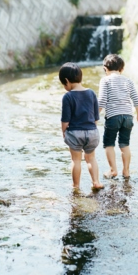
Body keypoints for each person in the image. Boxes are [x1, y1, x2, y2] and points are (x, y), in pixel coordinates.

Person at [59, 62, 104, 190]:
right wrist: (92, 129)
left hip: (75, 133)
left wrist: (64, 132)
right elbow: (96, 117)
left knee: (76, 160)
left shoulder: (68, 97)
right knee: (91, 158)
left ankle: (76, 185)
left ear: (67, 81)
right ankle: (96, 182)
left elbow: (65, 120)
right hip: (92, 132)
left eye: (64, 84)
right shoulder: (91, 93)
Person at [98, 54, 138, 179]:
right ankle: (126, 171)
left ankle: (113, 171)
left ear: (105, 69)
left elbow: (101, 101)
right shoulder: (128, 81)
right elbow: (136, 99)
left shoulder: (105, 80)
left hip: (113, 117)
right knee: (125, 144)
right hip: (128, 117)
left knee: (109, 144)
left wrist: (95, 117)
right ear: (121, 69)